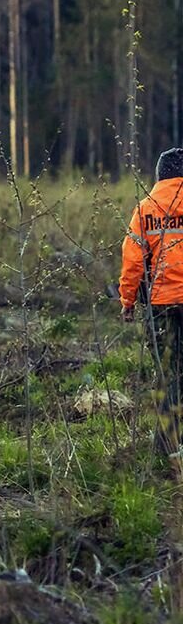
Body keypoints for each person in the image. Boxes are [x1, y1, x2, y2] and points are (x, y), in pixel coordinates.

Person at [119, 148, 183, 459]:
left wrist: (127, 300)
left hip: (161, 304)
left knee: (168, 373)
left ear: (159, 175)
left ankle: (168, 448)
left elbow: (132, 261)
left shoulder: (145, 209)